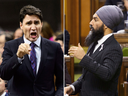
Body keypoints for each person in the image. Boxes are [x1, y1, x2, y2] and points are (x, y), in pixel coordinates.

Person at [0, 5, 63, 96]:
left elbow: (61, 81)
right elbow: (4, 75)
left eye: (36, 23)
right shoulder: (11, 46)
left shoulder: (54, 47)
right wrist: (18, 57)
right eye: (29, 23)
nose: (33, 27)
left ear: (41, 24)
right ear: (21, 25)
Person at [64, 5, 123, 96]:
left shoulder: (114, 48)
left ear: (106, 25)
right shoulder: (94, 43)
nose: (90, 23)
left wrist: (84, 58)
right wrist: (73, 87)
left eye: (95, 20)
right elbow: (88, 76)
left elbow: (106, 74)